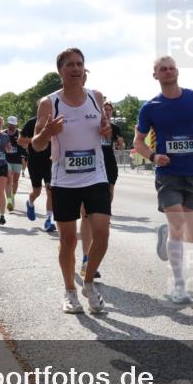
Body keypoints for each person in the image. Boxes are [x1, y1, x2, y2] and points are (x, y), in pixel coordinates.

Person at [133, 55, 193, 303]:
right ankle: (179, 286)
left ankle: (167, 234)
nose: (168, 71)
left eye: (172, 67)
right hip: (167, 174)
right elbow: (137, 143)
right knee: (177, 224)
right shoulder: (150, 107)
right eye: (163, 68)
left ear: (177, 72)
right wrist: (152, 156)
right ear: (156, 75)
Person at [32, 47, 110, 313]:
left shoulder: (96, 97)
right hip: (64, 179)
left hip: (95, 174)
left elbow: (105, 133)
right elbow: (37, 145)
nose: (76, 69)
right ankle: (69, 291)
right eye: (70, 65)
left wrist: (106, 130)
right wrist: (47, 131)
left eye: (79, 64)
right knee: (68, 240)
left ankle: (88, 283)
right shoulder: (49, 103)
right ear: (60, 71)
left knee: (102, 232)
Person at [79, 100, 121, 278]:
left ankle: (104, 213)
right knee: (85, 215)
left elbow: (121, 145)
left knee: (108, 196)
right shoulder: (89, 124)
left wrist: (120, 142)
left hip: (108, 166)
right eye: (105, 109)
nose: (108, 112)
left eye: (110, 110)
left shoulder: (114, 127)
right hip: (90, 168)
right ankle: (86, 259)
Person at [21, 113, 55, 232]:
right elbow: (20, 141)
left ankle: (49, 220)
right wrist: (38, 138)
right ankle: (30, 202)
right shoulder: (31, 123)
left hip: (50, 161)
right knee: (37, 191)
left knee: (50, 190)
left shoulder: (54, 121)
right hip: (34, 162)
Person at [3, 115, 23, 212]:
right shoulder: (4, 133)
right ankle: (9, 200)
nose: (13, 126)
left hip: (17, 160)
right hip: (6, 160)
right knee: (9, 179)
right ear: (8, 124)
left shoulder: (20, 133)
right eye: (11, 124)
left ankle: (13, 196)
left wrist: (20, 142)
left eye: (14, 124)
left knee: (15, 181)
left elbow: (25, 145)